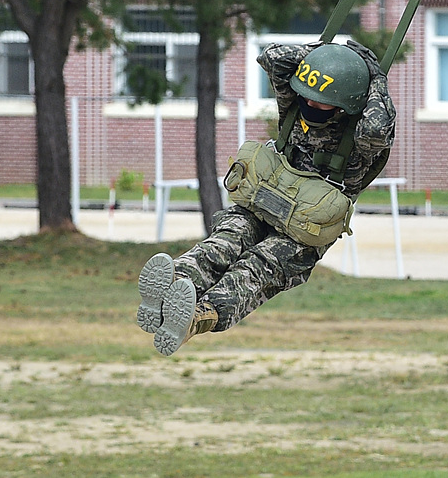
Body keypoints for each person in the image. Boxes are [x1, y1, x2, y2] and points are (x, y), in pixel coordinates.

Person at [136, 40, 396, 356]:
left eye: (321, 100)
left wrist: (375, 77)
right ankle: (172, 283)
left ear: (346, 105)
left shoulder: (358, 141)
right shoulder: (294, 106)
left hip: (300, 232)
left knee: (257, 268)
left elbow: (378, 130)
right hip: (261, 202)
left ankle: (195, 317)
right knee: (225, 242)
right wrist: (319, 54)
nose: (309, 103)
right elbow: (273, 56)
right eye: (306, 94)